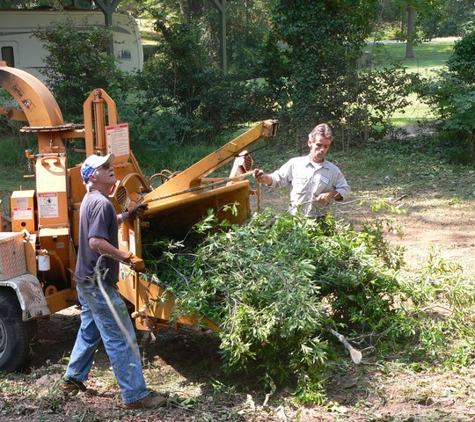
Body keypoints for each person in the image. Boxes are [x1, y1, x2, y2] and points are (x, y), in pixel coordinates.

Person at [62, 153, 166, 410]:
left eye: (110, 164)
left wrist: (127, 215)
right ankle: (136, 396)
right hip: (98, 283)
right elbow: (96, 242)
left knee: (90, 329)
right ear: (93, 176)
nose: (111, 168)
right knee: (122, 336)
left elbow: (103, 225)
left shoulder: (92, 199)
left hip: (85, 279)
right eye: (104, 167)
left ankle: (73, 378)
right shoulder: (102, 203)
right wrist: (127, 256)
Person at [254, 123, 350, 218]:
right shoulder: (295, 164)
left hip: (320, 220)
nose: (322, 150)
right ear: (310, 143)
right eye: (319, 145)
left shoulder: (332, 170)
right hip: (295, 220)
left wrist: (330, 194)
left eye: (326, 146)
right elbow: (277, 179)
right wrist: (264, 177)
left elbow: (345, 189)